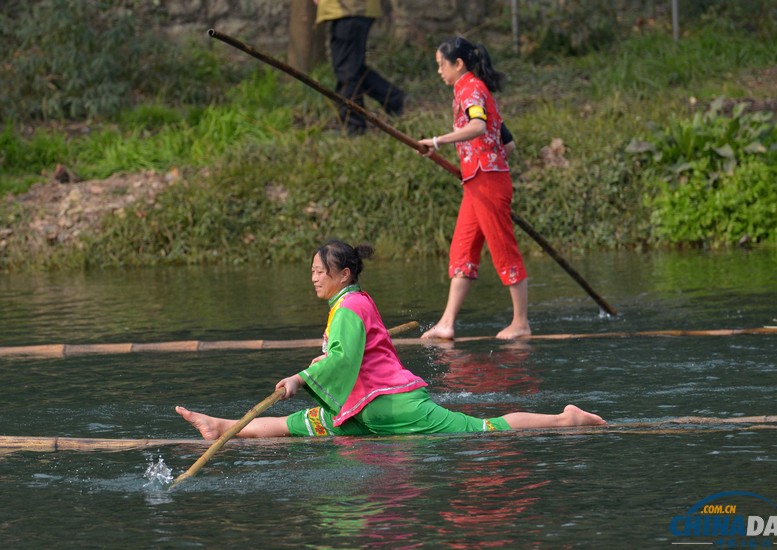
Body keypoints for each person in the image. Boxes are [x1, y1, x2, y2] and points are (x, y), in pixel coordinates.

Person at [176, 239, 605, 439]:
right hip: (365, 406)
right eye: (311, 272)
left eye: (320, 272)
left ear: (343, 275)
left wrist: (301, 378)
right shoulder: (352, 303)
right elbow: (349, 355)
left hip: (389, 403)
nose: (314, 278)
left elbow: (343, 359)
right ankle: (222, 426)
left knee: (481, 429)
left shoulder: (348, 308)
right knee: (302, 425)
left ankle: (565, 420)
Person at [417, 37, 529, 341]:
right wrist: (471, 152)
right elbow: (509, 143)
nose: (439, 71)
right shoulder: (475, 90)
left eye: (441, 64)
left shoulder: (470, 88)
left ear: (458, 64)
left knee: (503, 248)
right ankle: (447, 323)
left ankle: (520, 322)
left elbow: (479, 127)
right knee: (463, 250)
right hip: (476, 181)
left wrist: (439, 142)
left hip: (488, 181)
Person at [314, 0, 406, 135]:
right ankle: (394, 100)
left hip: (350, 9)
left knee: (347, 71)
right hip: (348, 10)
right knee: (351, 68)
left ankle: (353, 125)